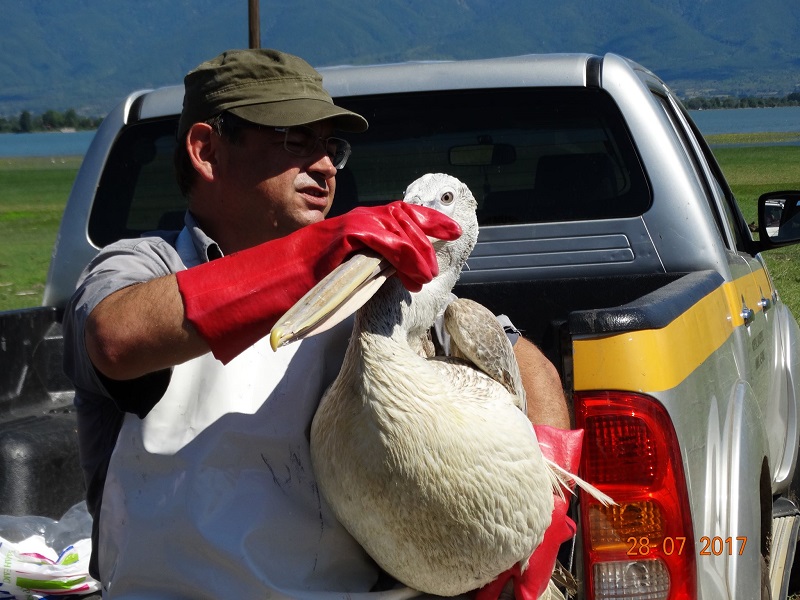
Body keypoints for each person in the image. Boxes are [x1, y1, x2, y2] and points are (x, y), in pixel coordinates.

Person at [63, 48, 571, 599]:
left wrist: (542, 493)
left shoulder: (362, 278)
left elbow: (519, 357)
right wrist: (317, 255)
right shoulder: (143, 268)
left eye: (331, 147)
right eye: (295, 142)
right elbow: (115, 339)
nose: (326, 166)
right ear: (207, 150)